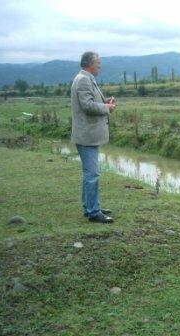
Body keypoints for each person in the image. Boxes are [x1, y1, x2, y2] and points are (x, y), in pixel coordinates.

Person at [71, 51, 116, 223]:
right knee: (93, 174)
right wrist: (107, 108)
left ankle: (90, 206)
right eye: (98, 63)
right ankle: (93, 212)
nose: (100, 66)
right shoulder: (83, 79)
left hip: (88, 135)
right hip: (86, 136)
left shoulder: (86, 78)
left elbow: (90, 102)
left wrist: (106, 103)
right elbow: (87, 106)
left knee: (89, 174)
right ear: (90, 63)